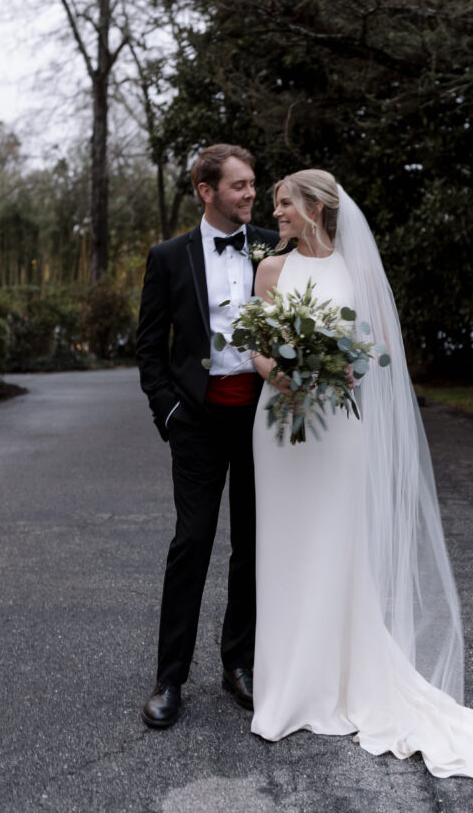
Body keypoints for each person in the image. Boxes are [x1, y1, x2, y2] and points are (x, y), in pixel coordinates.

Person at [250, 169, 473, 780]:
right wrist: (278, 372)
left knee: (337, 545)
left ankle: (343, 679)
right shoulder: (271, 271)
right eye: (275, 204)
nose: (276, 212)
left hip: (338, 426)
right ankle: (288, 688)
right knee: (282, 548)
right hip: (280, 424)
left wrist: (336, 366)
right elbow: (258, 345)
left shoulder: (356, 270)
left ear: (314, 207)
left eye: (284, 202)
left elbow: (378, 349)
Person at [135, 143, 279, 729]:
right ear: (207, 190)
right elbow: (149, 347)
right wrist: (168, 413)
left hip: (260, 421)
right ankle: (170, 677)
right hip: (195, 421)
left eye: (252, 185)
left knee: (252, 543)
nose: (250, 194)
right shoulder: (168, 256)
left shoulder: (274, 245)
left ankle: (238, 665)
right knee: (191, 543)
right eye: (239, 185)